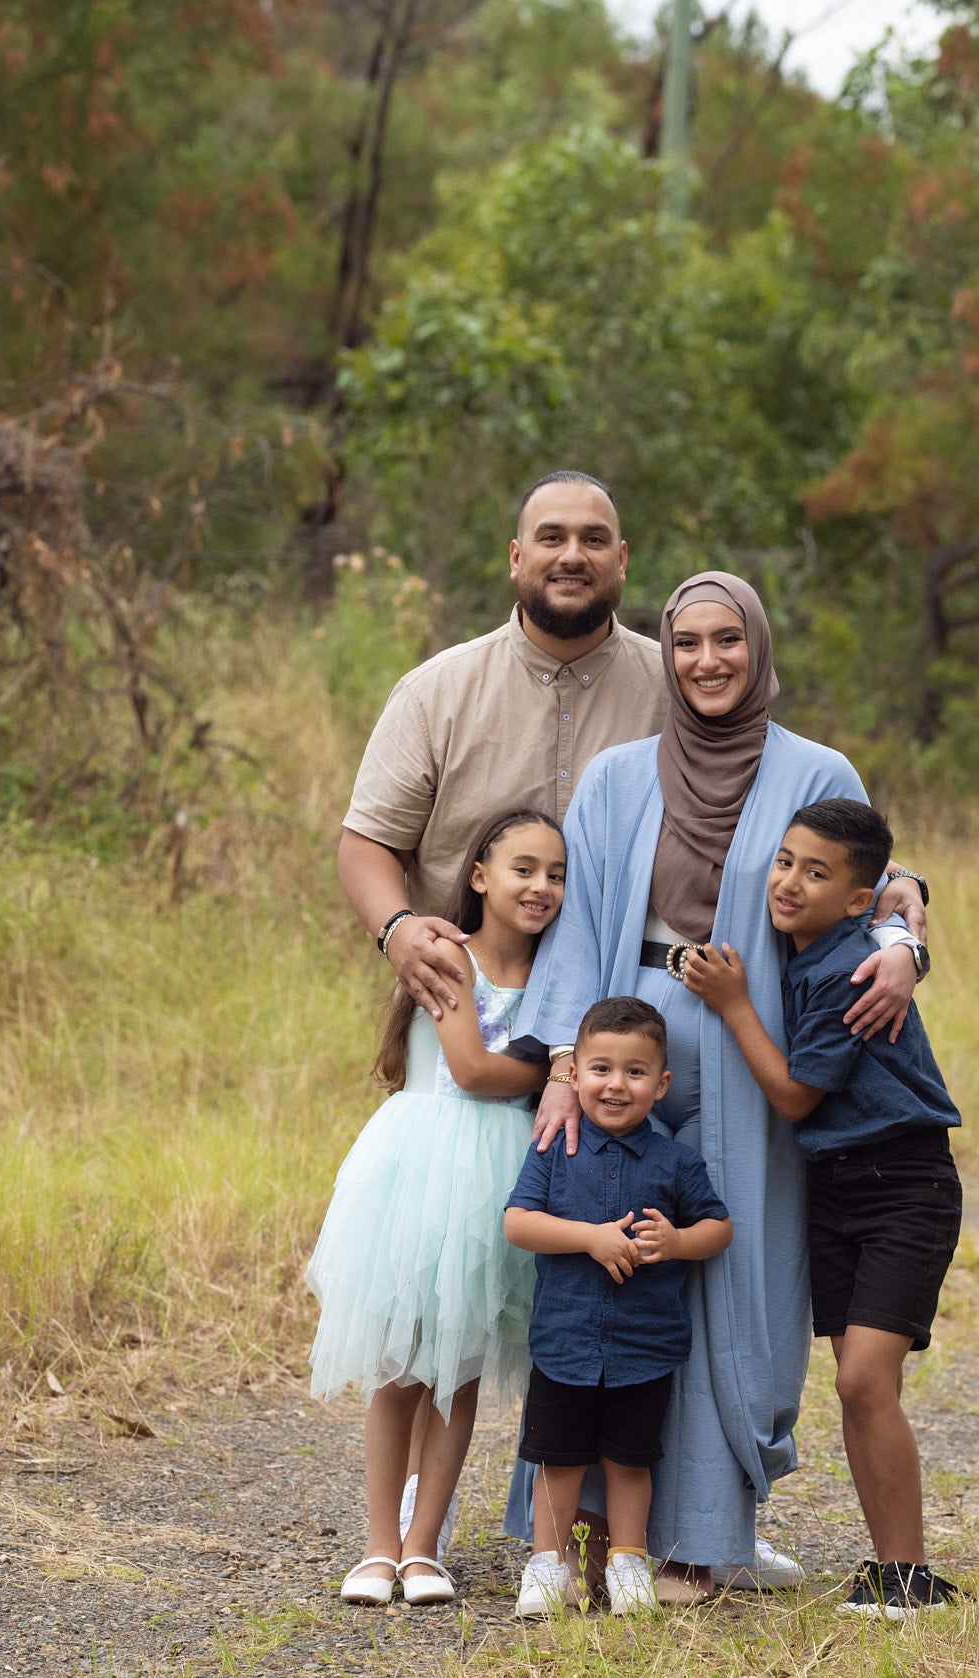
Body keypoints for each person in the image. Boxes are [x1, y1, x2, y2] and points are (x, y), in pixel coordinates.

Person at [505, 572, 929, 1601]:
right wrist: (565, 1065)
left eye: (727, 639)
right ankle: (589, 1530)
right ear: (666, 651)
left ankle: (704, 1532)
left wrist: (909, 938)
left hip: (760, 1038)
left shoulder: (818, 766)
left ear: (758, 647)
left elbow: (867, 884)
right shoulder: (614, 777)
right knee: (603, 1267)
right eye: (686, 640)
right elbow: (570, 930)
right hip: (626, 1033)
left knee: (739, 1274)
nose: (706, 660)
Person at [337, 469, 667, 1557]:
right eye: (551, 537)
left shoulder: (676, 684)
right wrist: (398, 930)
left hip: (631, 1047)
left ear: (623, 562)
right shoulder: (439, 687)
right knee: (451, 1305)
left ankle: (610, 1516)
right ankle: (407, 1537)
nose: (572, 554)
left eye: (595, 538)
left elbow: (790, 801)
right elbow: (368, 839)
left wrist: (895, 895)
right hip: (467, 1019)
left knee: (614, 1272)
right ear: (516, 557)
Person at [682, 799, 963, 1618]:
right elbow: (895, 899)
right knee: (857, 1387)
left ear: (854, 898)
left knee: (863, 1376)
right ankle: (892, 1571)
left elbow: (798, 1097)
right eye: (784, 861)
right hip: (834, 1190)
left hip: (902, 1184)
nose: (789, 882)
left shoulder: (852, 967)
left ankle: (912, 1579)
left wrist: (733, 1004)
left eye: (816, 872)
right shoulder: (804, 947)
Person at [306, 810, 566, 1606]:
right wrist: (563, 1069)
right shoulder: (445, 955)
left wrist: (566, 1062)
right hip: (423, 1172)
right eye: (523, 868)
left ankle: (424, 1548)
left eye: (556, 875)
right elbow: (474, 1069)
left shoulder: (558, 972)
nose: (541, 887)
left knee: (459, 1372)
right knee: (399, 1367)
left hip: (500, 1181)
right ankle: (377, 1546)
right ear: (480, 875)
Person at [504, 998, 733, 1619]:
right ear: (573, 1074)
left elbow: (719, 1227)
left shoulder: (676, 1161)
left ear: (660, 1087)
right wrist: (590, 1237)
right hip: (565, 1339)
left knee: (630, 1459)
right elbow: (518, 1223)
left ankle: (627, 1561)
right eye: (601, 1068)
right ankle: (548, 1565)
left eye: (635, 1072)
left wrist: (679, 1243)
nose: (616, 1085)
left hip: (644, 1342)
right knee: (559, 1459)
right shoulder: (555, 1149)